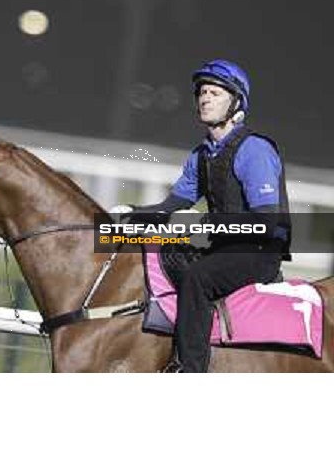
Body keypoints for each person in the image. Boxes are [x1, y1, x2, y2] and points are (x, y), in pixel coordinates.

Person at [112, 59, 292, 373]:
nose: (204, 98)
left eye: (214, 93)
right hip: (223, 245)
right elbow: (169, 208)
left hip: (259, 252)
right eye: (202, 92)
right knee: (156, 249)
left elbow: (266, 223)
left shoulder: (255, 150)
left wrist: (202, 225)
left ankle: (190, 368)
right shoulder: (202, 154)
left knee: (198, 277)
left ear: (236, 103)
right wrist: (128, 216)